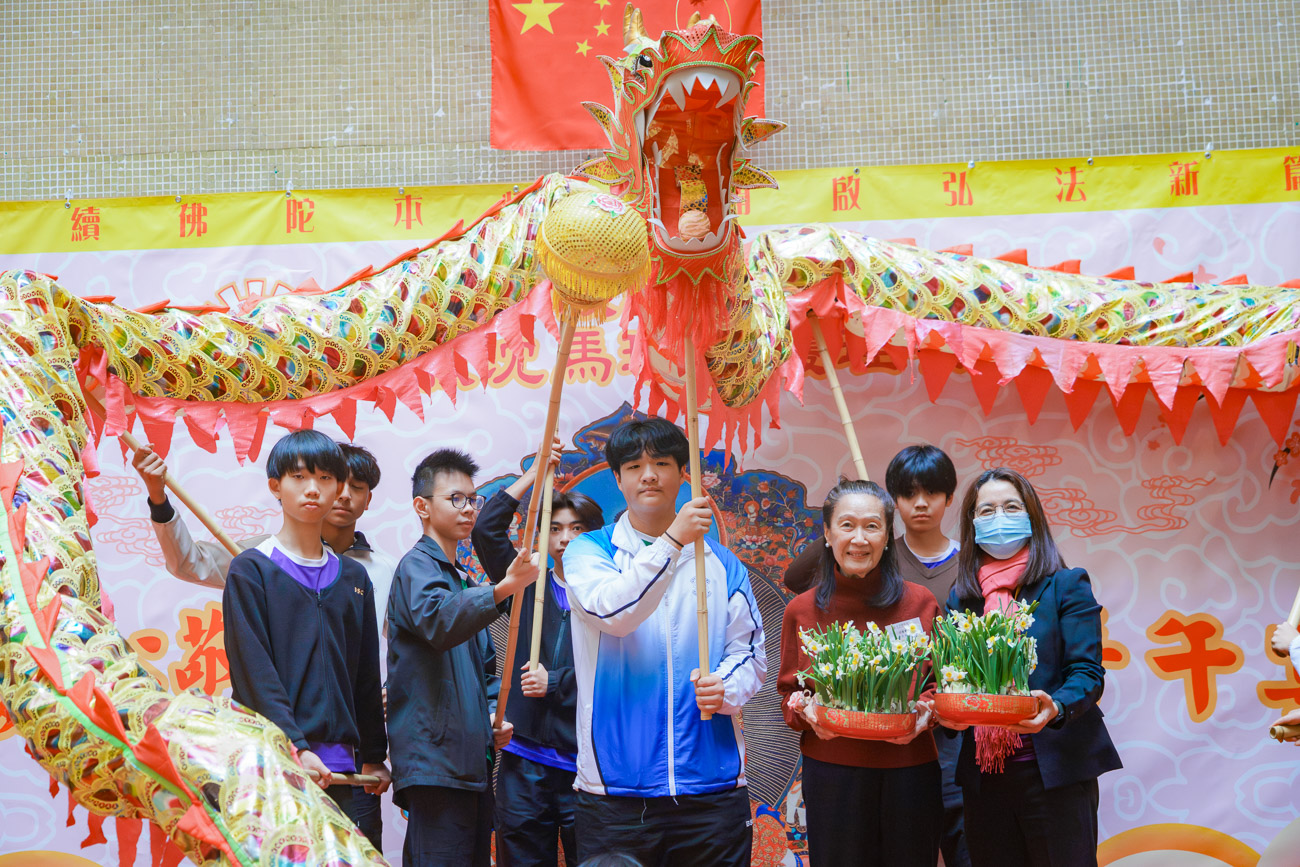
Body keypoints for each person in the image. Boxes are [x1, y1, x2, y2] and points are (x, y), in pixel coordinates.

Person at [562, 418, 766, 867]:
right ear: (618, 479)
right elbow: (613, 614)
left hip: (712, 788)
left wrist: (725, 686)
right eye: (634, 466)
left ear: (681, 473)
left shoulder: (722, 563)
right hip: (614, 791)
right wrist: (673, 542)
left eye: (661, 463)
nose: (649, 475)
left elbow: (748, 651)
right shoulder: (589, 552)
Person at [930, 468, 1122, 867]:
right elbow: (954, 680)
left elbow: (1087, 673)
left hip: (1054, 773)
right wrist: (946, 711)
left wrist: (1054, 706)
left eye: (1011, 507)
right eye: (986, 511)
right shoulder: (962, 599)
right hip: (985, 778)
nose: (999, 518)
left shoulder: (1065, 585)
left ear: (1032, 516)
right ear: (972, 524)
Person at [221, 430, 390, 851]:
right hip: (277, 763)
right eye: (299, 477)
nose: (313, 489)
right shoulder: (252, 570)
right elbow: (255, 674)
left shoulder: (354, 578)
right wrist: (296, 747)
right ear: (275, 486)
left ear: (338, 487)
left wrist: (374, 754)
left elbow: (365, 674)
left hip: (345, 771)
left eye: (325, 478)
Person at [386, 447, 539, 867]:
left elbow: (486, 670)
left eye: (473, 499)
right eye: (456, 498)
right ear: (422, 506)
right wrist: (502, 588)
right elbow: (439, 621)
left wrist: (491, 715)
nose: (469, 508)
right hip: (436, 761)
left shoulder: (462, 579)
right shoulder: (416, 567)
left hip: (469, 761)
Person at [777, 479, 943, 867]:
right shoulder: (801, 610)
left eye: (872, 526)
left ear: (887, 537)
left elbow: (939, 686)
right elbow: (788, 694)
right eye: (847, 525)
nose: (859, 539)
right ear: (827, 533)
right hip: (833, 773)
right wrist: (806, 712)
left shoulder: (920, 602)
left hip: (910, 771)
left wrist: (924, 715)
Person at [472, 443, 605, 867]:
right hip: (524, 759)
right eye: (556, 528)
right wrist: (535, 474)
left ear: (597, 536)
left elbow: (620, 671)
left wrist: (557, 681)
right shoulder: (527, 584)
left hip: (588, 762)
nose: (565, 539)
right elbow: (486, 531)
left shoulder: (612, 598)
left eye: (578, 529)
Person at [131, 441, 397, 619]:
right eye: (332, 482)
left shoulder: (383, 569)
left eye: (357, 487)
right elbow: (189, 563)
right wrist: (158, 499)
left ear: (369, 499)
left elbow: (401, 640)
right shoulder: (263, 555)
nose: (345, 495)